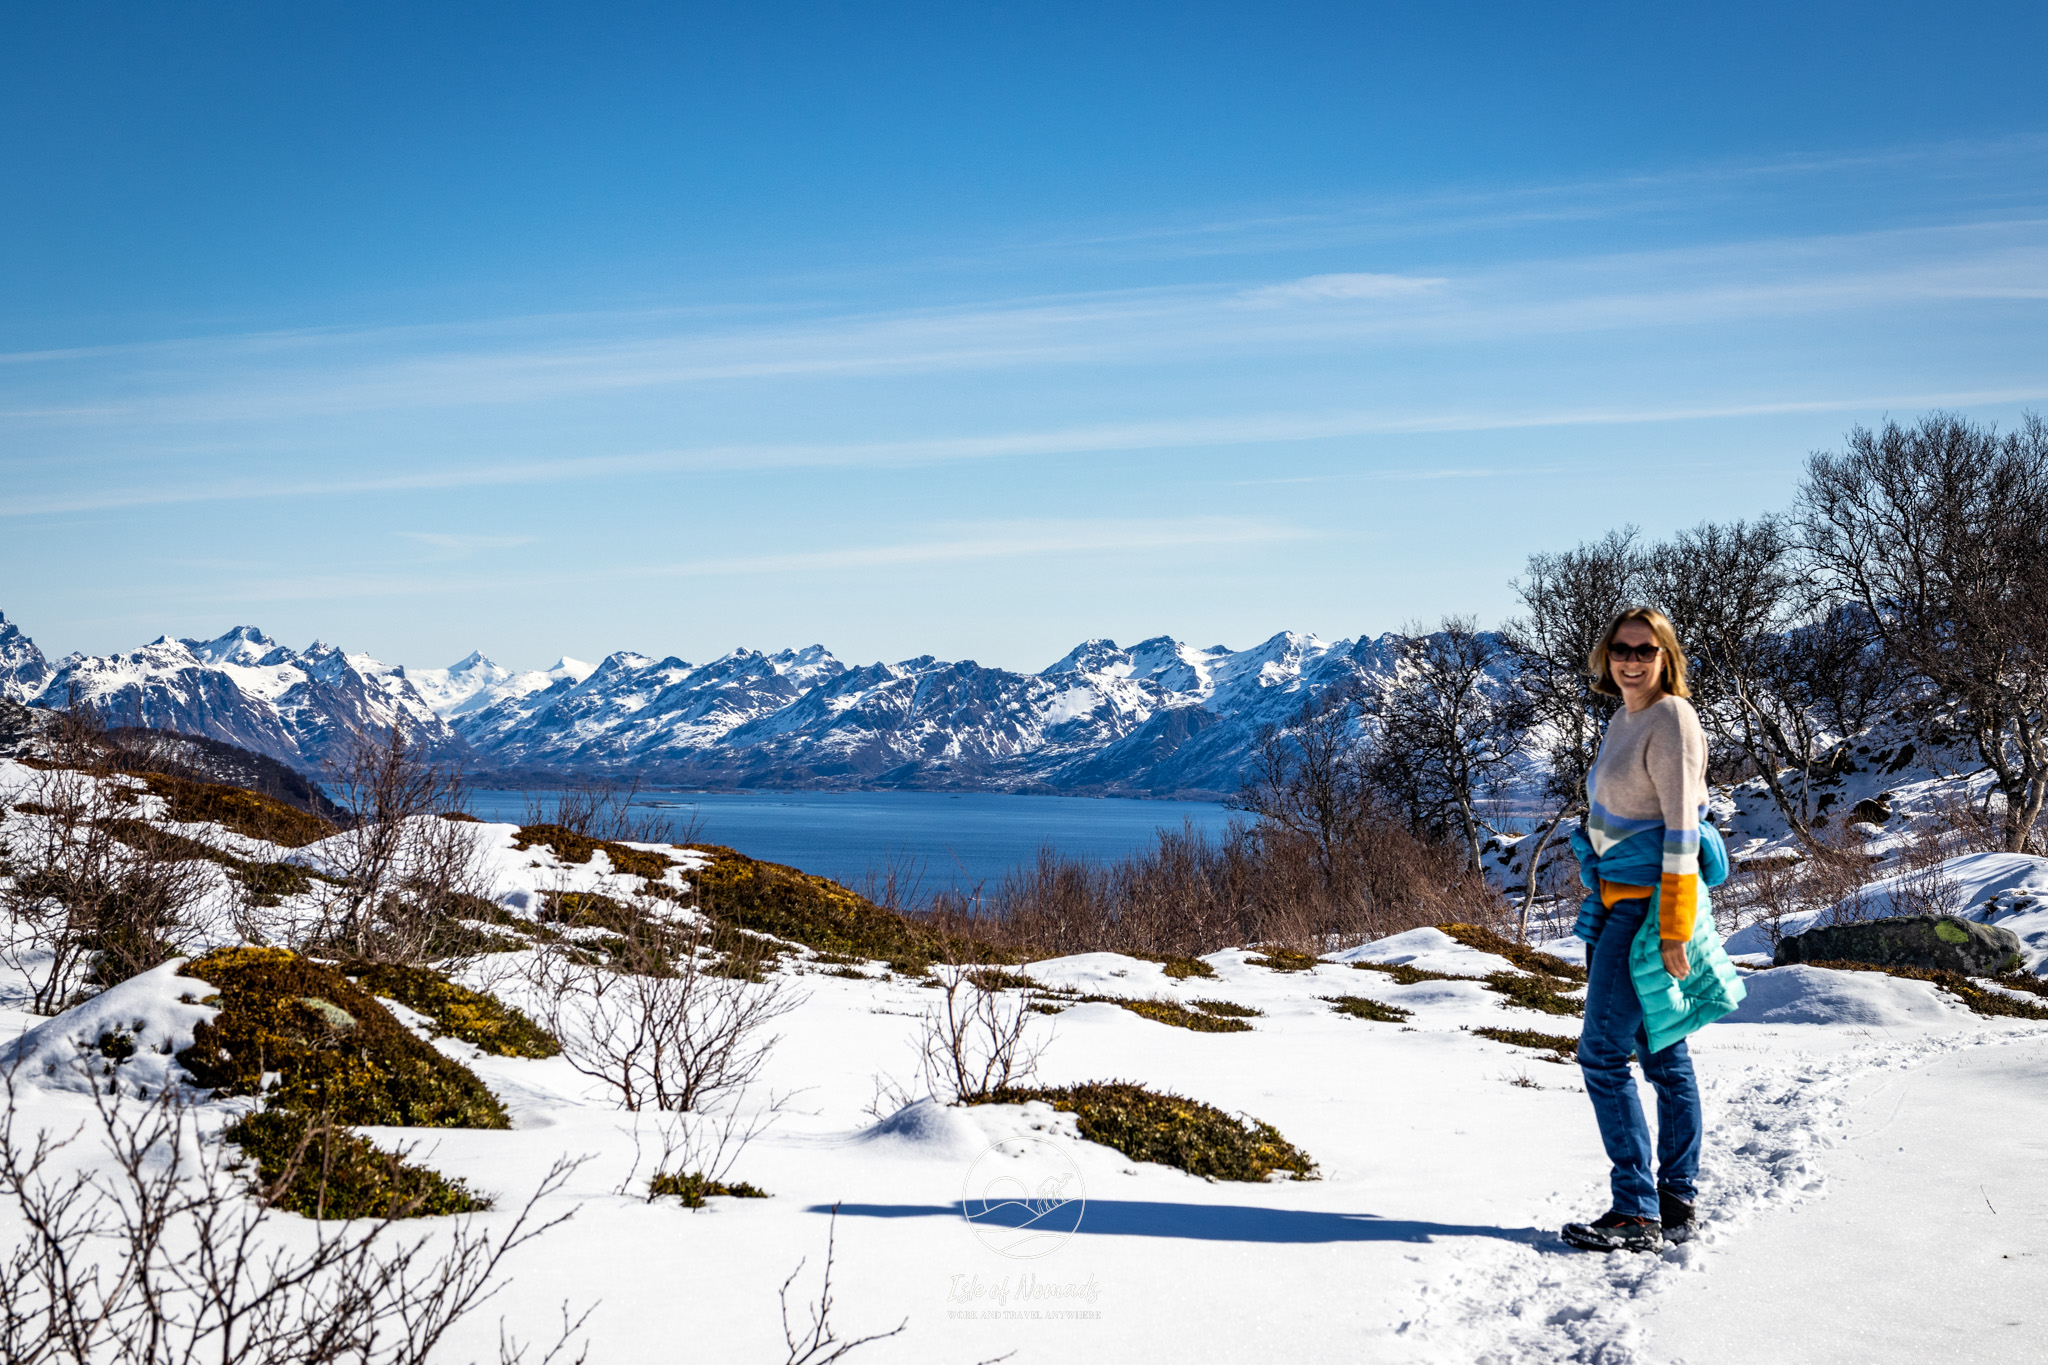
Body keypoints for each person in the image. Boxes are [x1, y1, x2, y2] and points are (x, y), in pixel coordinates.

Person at [1561, 606, 1745, 1253]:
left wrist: (1672, 930)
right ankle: (1675, 1197)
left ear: (1666, 655)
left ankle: (1636, 1208)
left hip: (1646, 909)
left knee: (1603, 1054)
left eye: (1645, 649)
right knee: (1663, 1050)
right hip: (1617, 899)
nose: (1631, 660)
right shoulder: (1625, 715)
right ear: (1606, 654)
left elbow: (1680, 831)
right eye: (1621, 648)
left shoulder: (1672, 718)